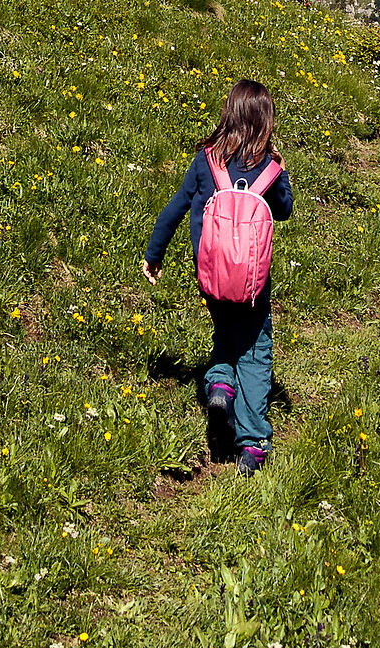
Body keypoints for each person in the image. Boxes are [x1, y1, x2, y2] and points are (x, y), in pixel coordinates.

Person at [142, 78, 295, 474]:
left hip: (210, 276)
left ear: (228, 114)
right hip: (252, 285)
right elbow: (284, 210)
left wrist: (154, 254)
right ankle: (254, 441)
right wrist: (278, 169)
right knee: (256, 352)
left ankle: (220, 387)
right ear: (266, 121)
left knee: (224, 332)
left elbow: (175, 208)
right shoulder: (271, 168)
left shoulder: (206, 160)